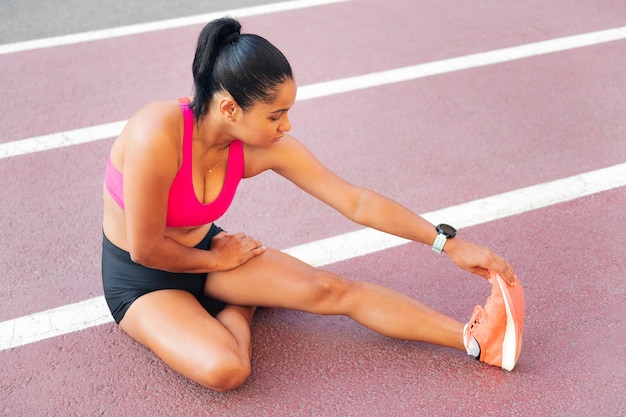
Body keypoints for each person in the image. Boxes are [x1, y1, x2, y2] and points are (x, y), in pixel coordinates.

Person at [102, 17, 524, 392]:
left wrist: (447, 244)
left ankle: (474, 339)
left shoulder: (260, 147)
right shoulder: (154, 134)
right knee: (227, 370)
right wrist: (219, 263)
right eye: (275, 115)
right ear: (230, 107)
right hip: (143, 278)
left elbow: (354, 200)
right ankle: (239, 306)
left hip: (211, 253)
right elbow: (147, 250)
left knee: (332, 289)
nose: (286, 125)